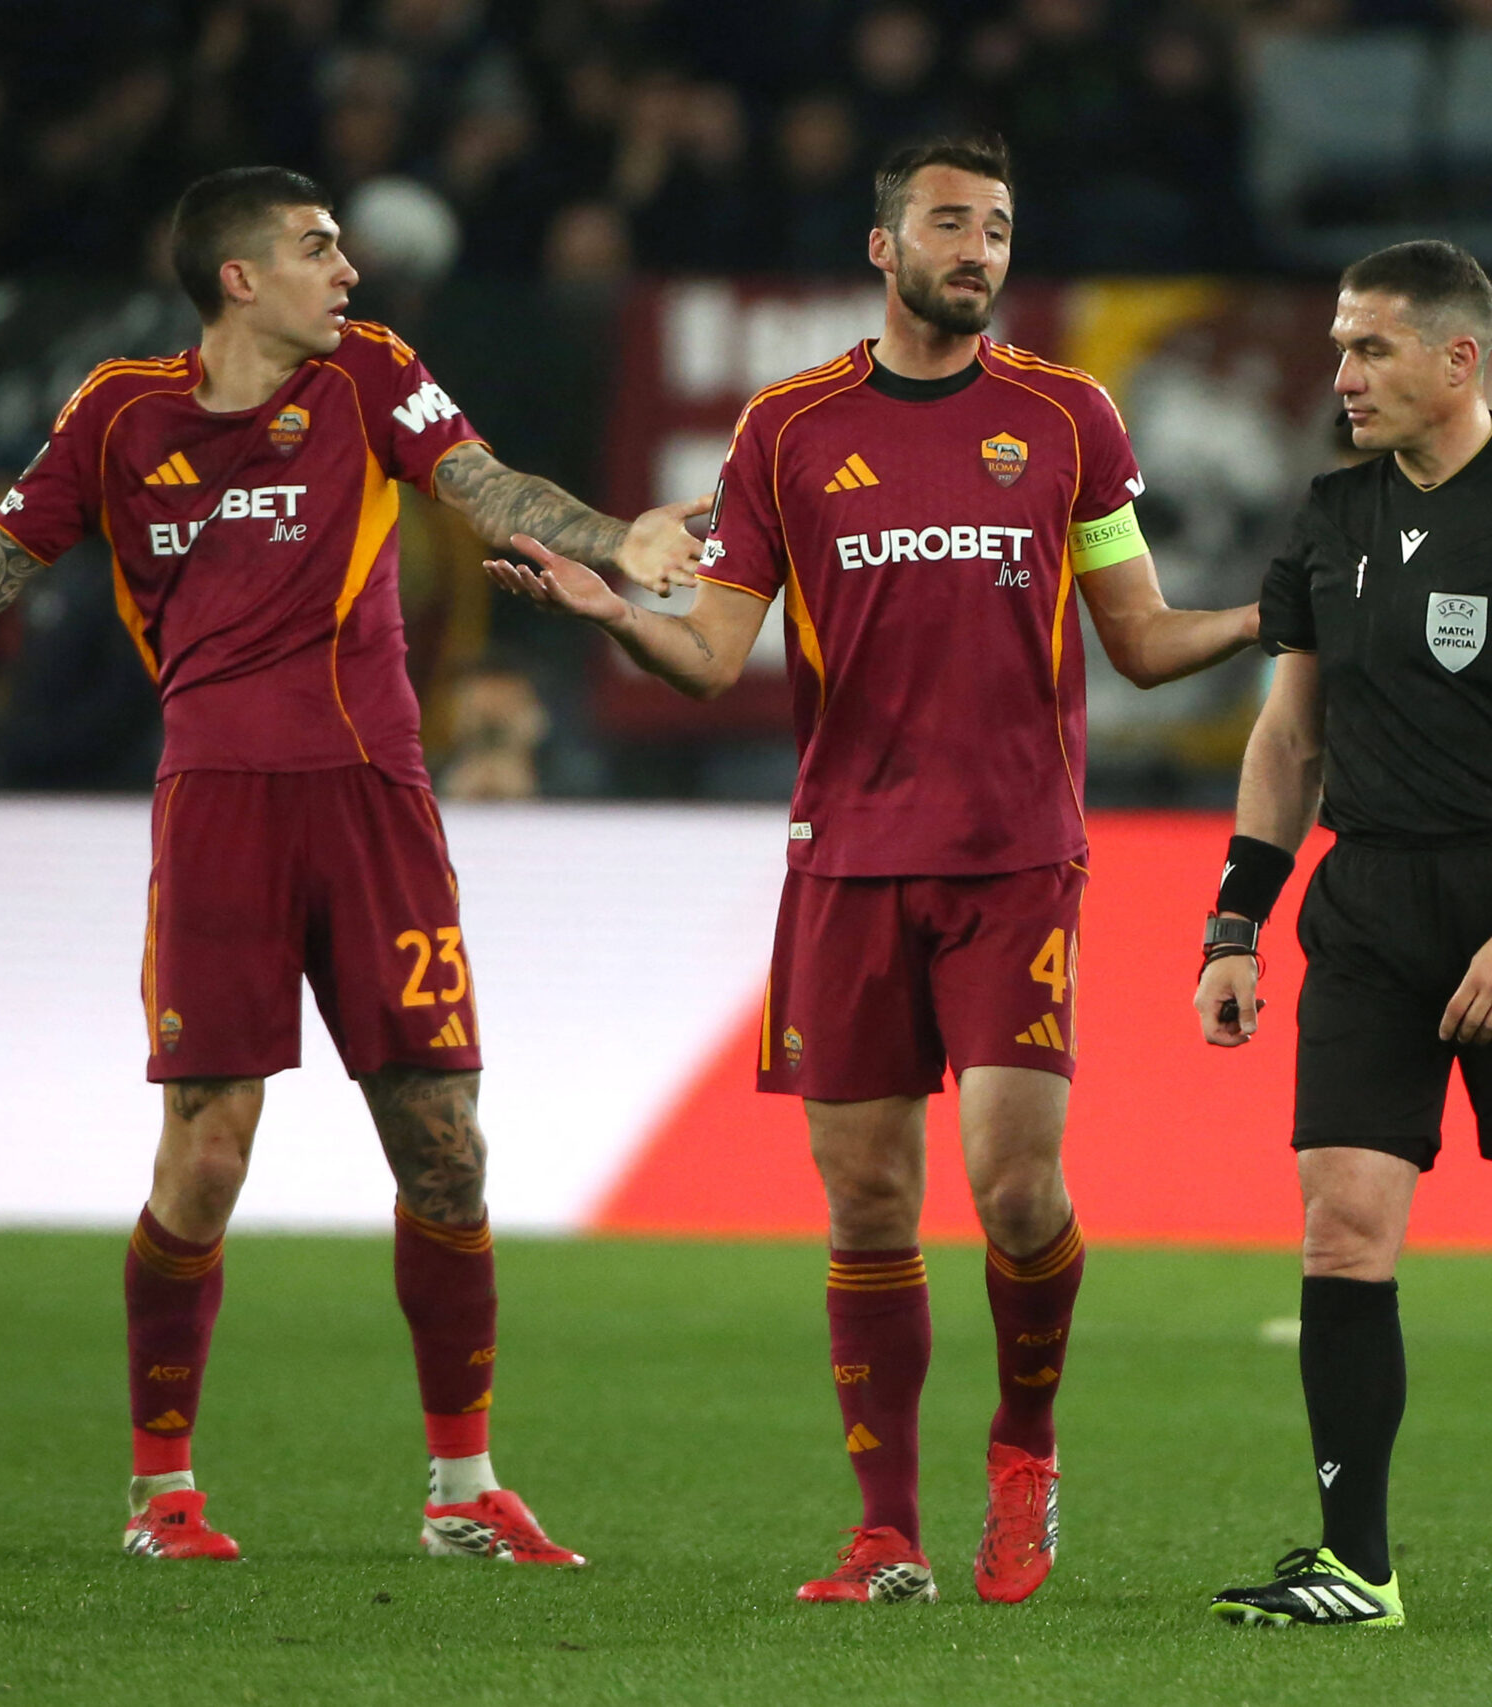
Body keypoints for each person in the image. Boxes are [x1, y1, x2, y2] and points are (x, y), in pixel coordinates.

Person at [0, 165, 707, 1567]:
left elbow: (483, 480)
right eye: (320, 250)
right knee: (207, 1150)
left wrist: (611, 534)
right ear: (239, 278)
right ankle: (163, 1489)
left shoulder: (371, 375)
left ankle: (464, 1487)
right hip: (218, 811)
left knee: (445, 1147)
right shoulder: (120, 413)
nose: (352, 273)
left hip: (377, 801)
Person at [488, 136, 1257, 1606]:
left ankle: (1023, 1459)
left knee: (1018, 1185)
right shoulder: (785, 428)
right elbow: (715, 651)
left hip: (1018, 856)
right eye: (952, 224)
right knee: (867, 1208)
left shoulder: (1071, 416)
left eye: (1001, 229)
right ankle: (885, 1529)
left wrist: (1272, 614)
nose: (980, 250)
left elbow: (1144, 639)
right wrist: (612, 612)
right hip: (843, 862)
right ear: (882, 247)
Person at [1194, 241, 1492, 1629]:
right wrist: (1236, 918)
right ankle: (1355, 1559)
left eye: (1372, 348)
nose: (1343, 375)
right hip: (1371, 906)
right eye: (1339, 346)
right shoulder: (1327, 514)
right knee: (1343, 1219)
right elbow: (1291, 735)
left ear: (1462, 359)